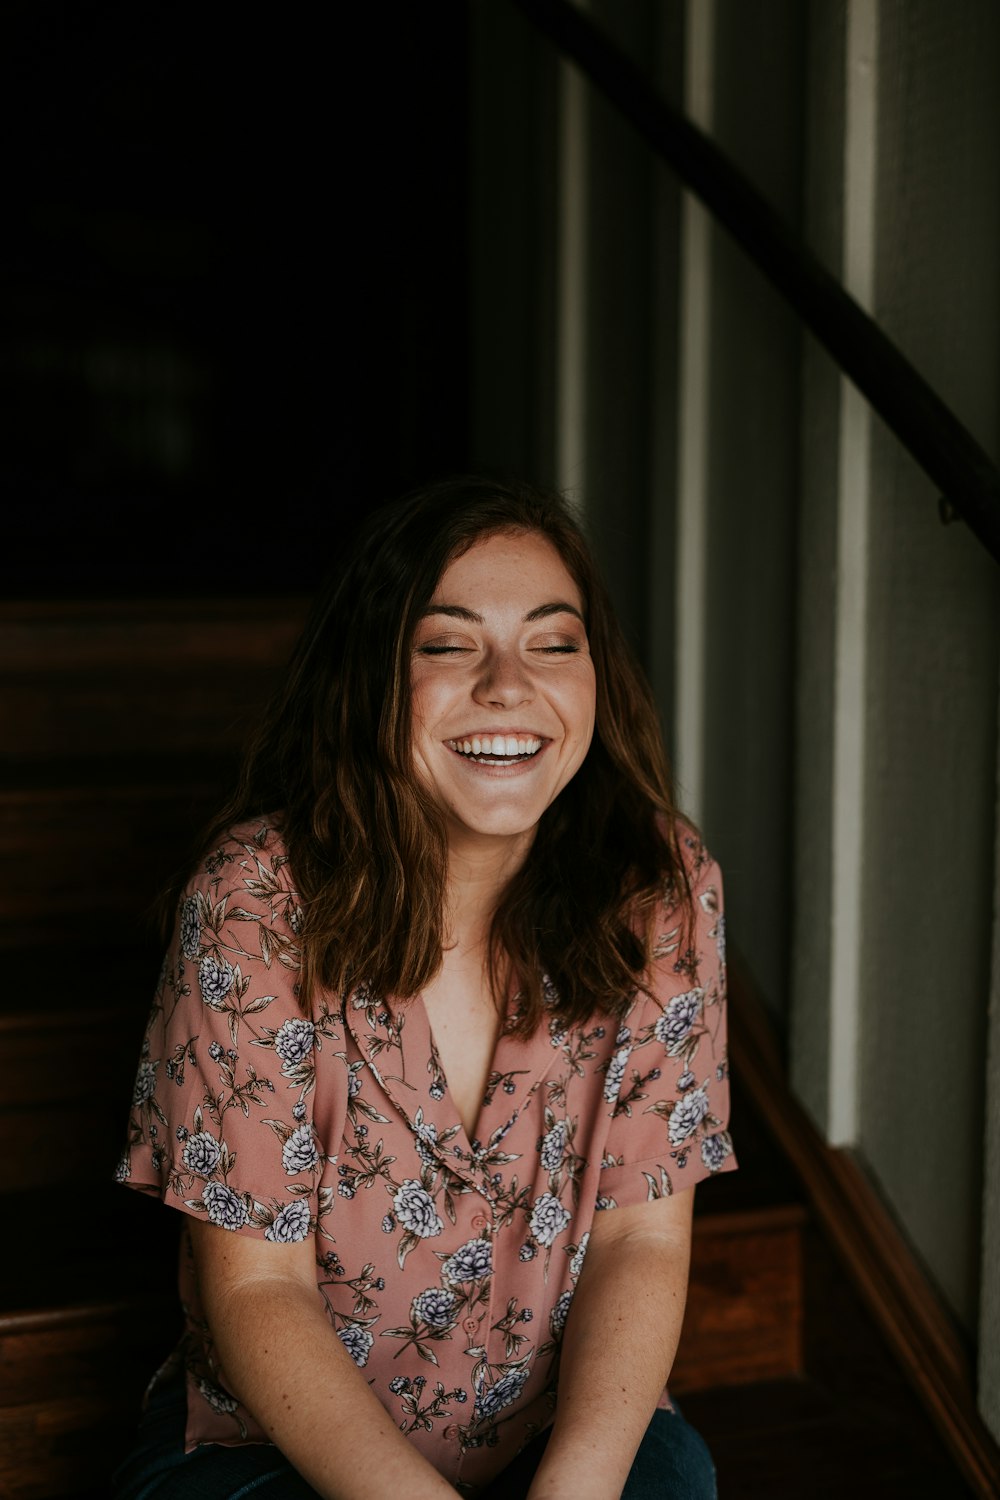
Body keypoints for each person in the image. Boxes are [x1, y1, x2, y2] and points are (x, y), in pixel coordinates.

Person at [111, 473, 737, 1500]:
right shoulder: (255, 898)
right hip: (281, 1446)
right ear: (370, 675)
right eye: (448, 645)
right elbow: (257, 1286)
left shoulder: (658, 891)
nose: (507, 684)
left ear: (596, 679)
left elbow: (638, 1240)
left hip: (550, 1428)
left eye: (552, 642)